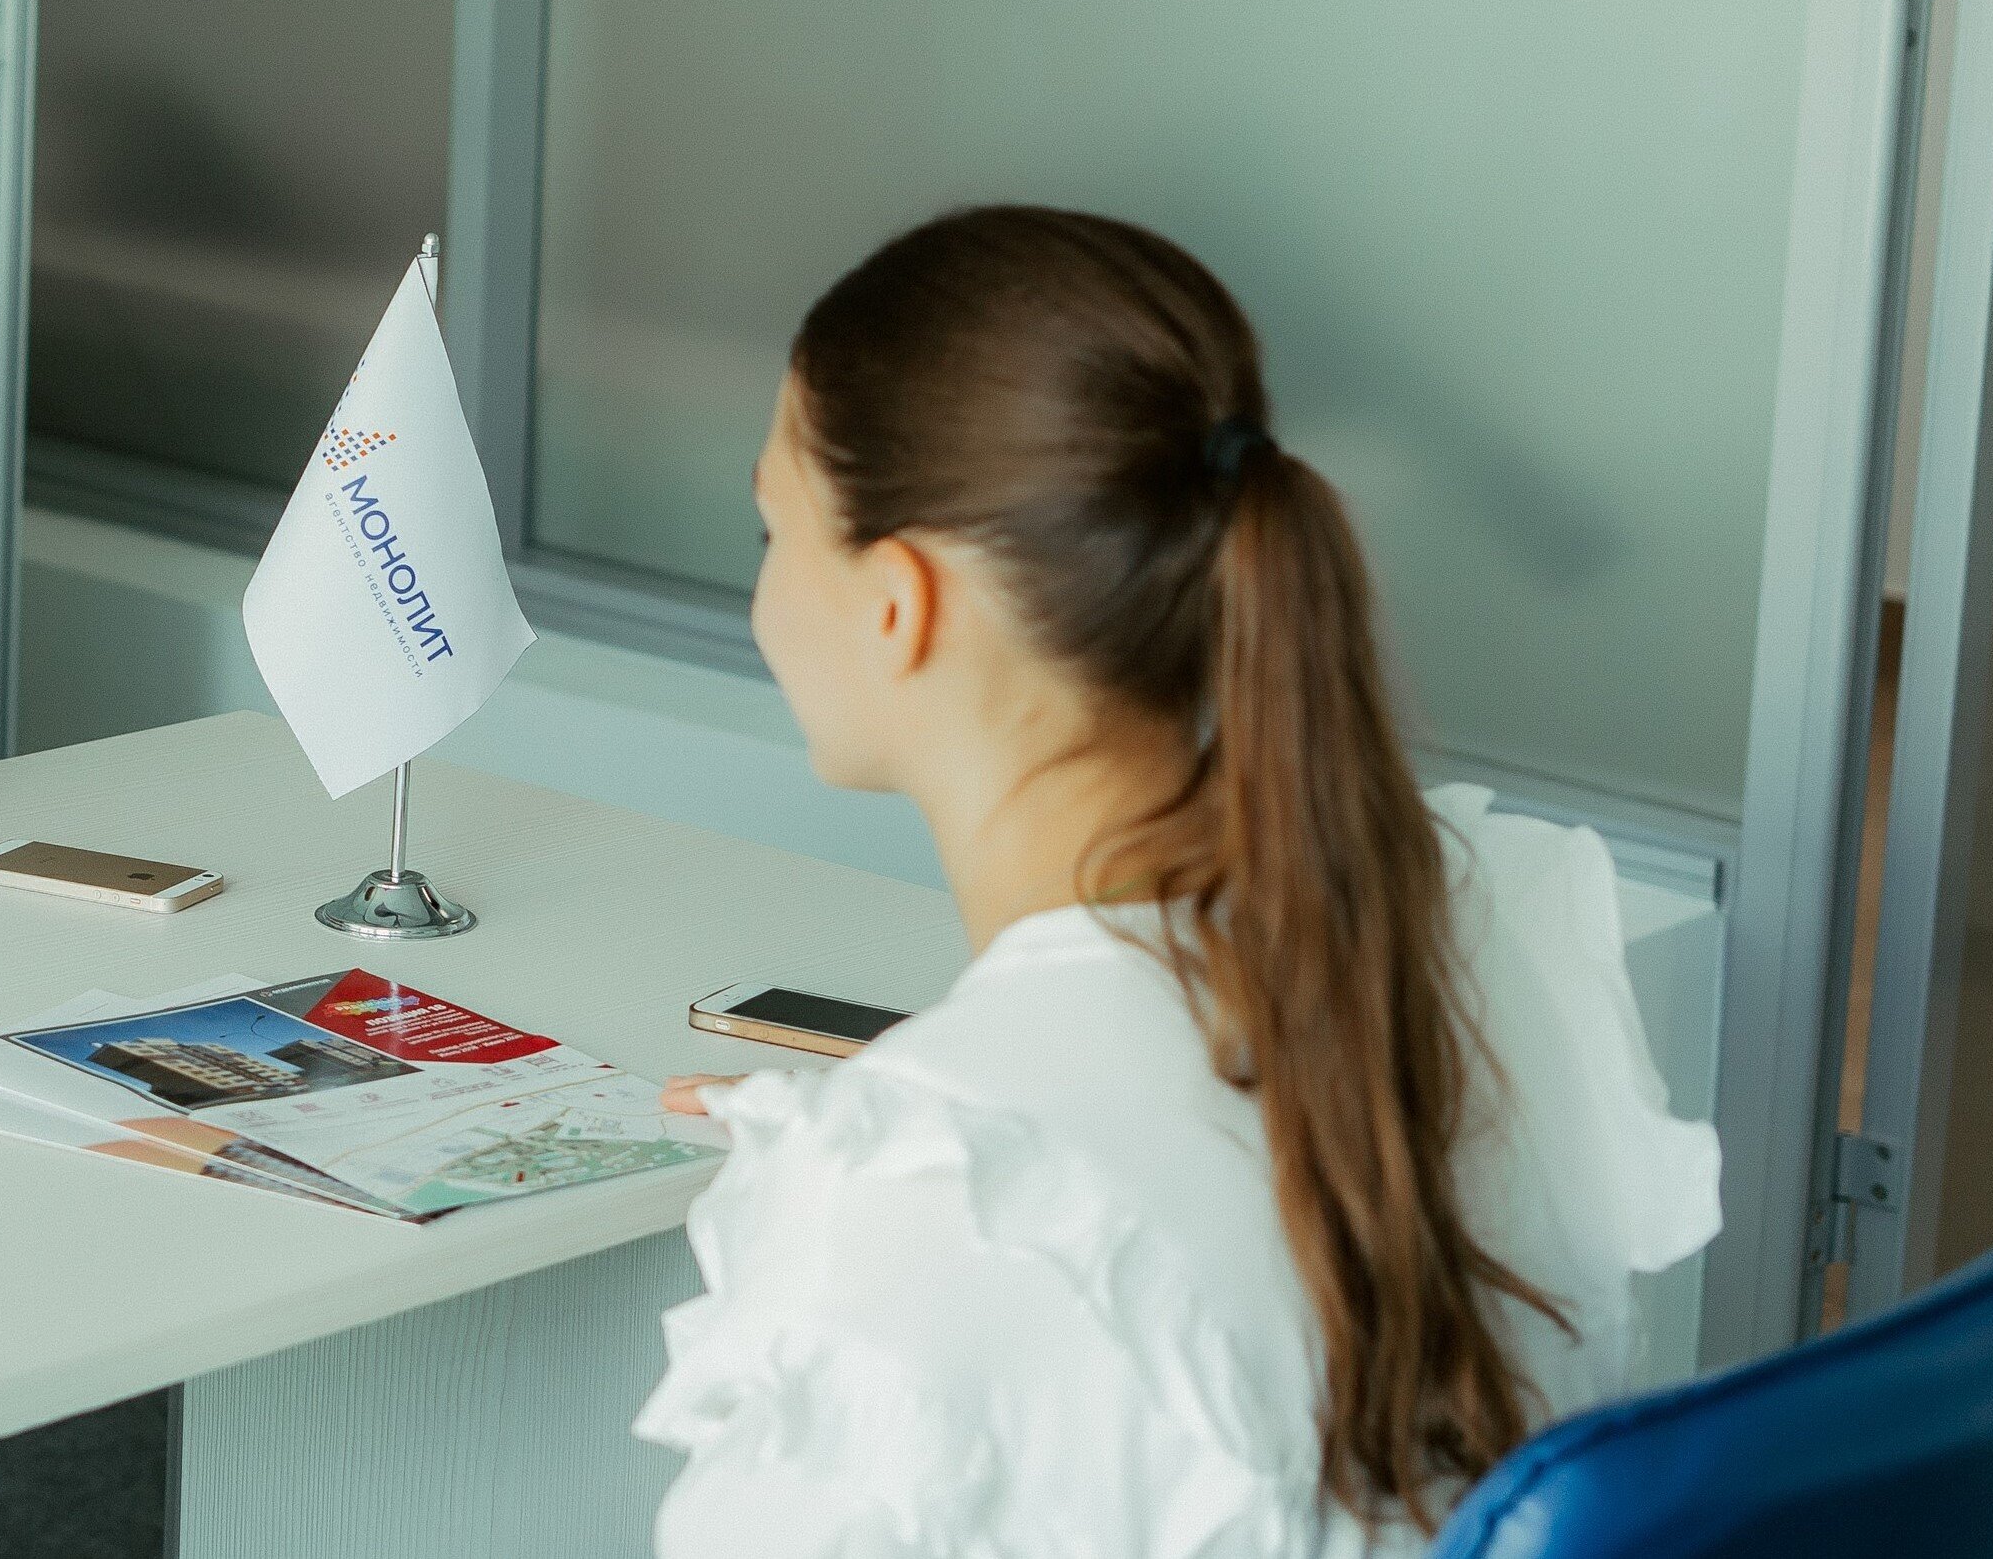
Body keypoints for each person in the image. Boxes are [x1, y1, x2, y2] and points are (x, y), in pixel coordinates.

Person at [633, 207, 1720, 1556]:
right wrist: (897, 1128)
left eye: (771, 531)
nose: (763, 587)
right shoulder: (1479, 937)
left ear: (897, 599)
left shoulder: (914, 1215)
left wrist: (900, 1169)